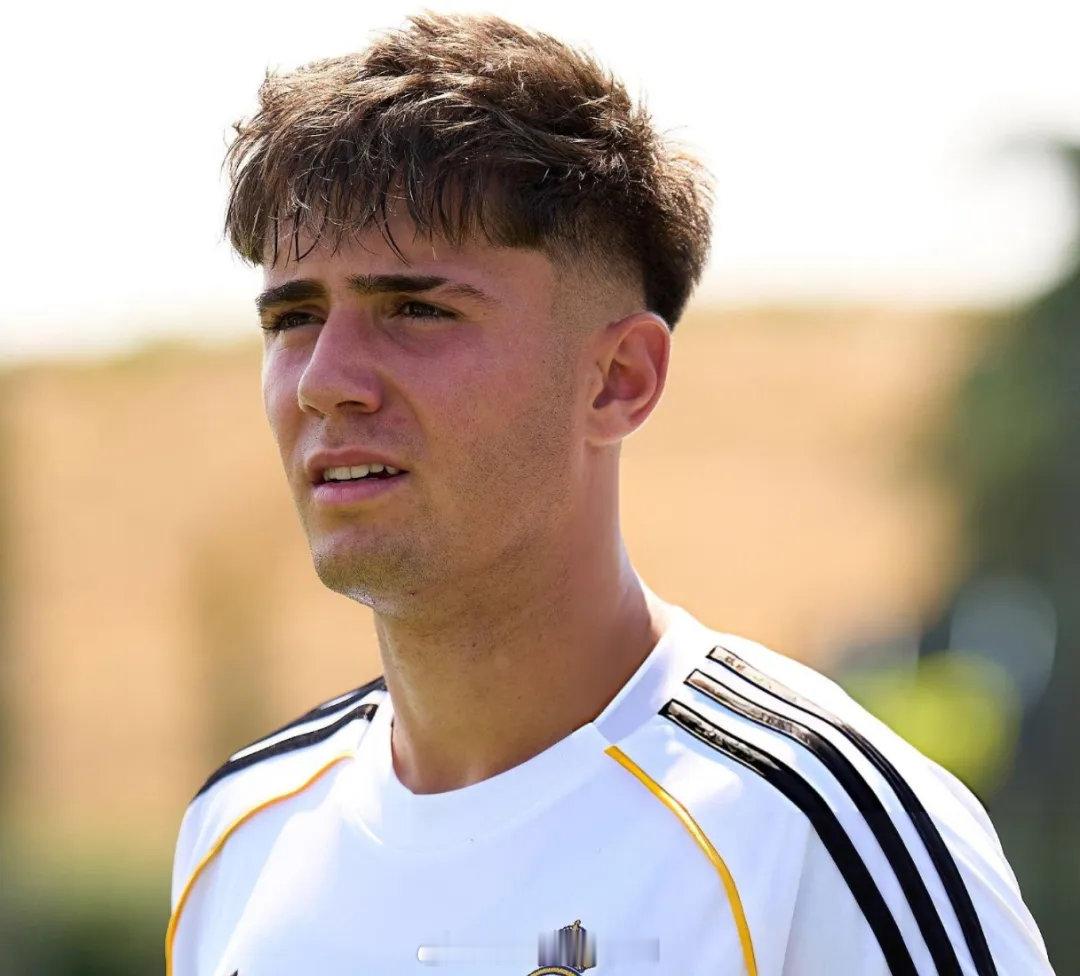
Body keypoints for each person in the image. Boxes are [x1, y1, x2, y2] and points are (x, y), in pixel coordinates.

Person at [166, 12, 1054, 976]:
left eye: (415, 309)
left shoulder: (817, 833)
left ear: (618, 380)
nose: (324, 381)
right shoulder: (236, 835)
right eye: (294, 318)